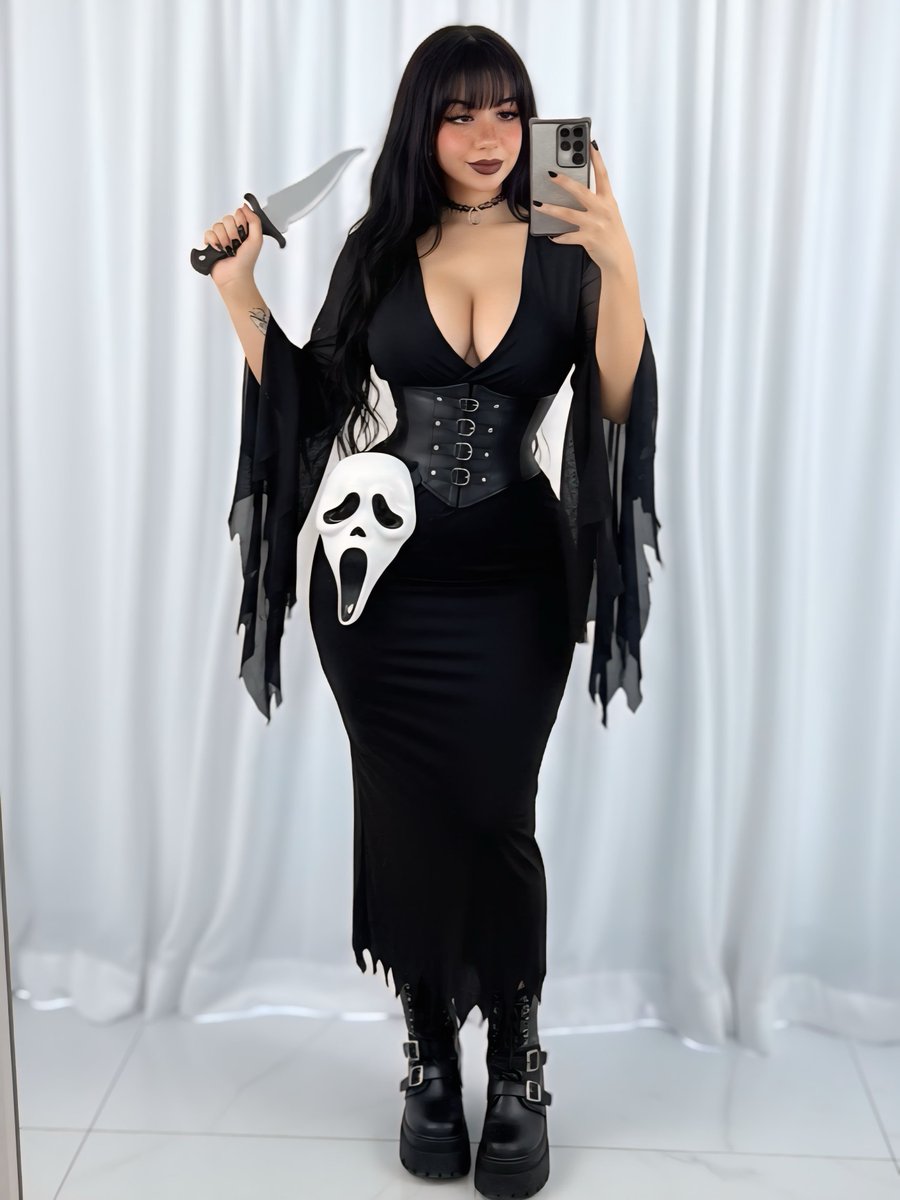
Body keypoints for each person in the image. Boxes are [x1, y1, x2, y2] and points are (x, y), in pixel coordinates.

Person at [203, 23, 660, 1200]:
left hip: (515, 579)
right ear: (426, 126)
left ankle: (517, 1063)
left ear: (531, 122)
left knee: (500, 818)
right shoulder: (380, 245)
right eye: (459, 114)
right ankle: (426, 1054)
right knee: (406, 817)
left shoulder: (565, 246)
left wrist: (618, 258)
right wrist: (240, 292)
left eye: (506, 110)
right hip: (379, 591)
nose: (488, 136)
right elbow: (311, 405)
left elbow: (617, 397)